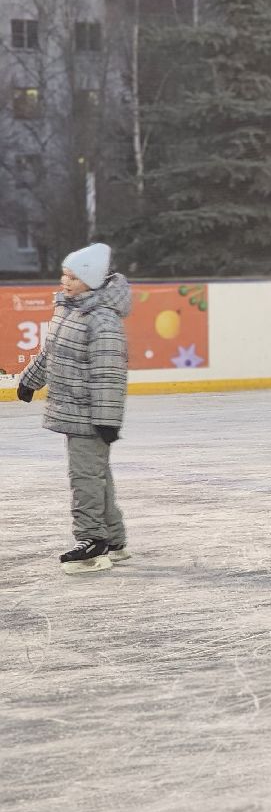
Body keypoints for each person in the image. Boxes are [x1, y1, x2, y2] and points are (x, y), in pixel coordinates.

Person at [16, 243, 133, 575]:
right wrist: (30, 380)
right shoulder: (69, 308)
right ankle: (115, 541)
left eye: (74, 277)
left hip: (91, 415)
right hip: (74, 410)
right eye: (64, 275)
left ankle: (92, 541)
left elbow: (109, 374)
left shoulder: (103, 321)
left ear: (92, 280)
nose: (65, 282)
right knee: (98, 477)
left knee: (85, 478)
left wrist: (107, 421)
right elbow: (51, 352)